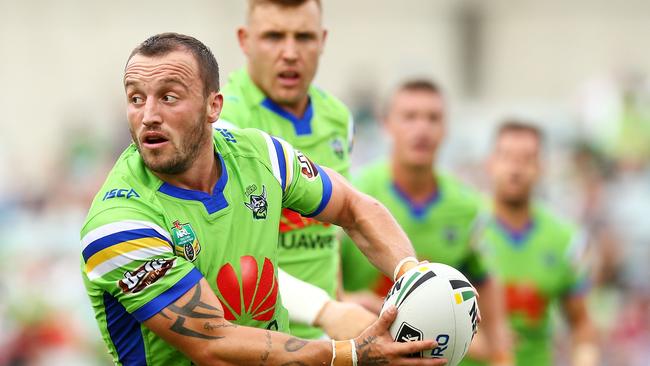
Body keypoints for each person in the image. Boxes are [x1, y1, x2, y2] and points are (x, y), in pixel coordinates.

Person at [80, 32, 447, 365]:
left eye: (169, 97)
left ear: (213, 106)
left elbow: (354, 207)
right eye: (136, 98)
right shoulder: (118, 224)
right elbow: (214, 344)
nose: (148, 116)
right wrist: (350, 354)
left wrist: (413, 277)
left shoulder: (262, 157)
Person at [214, 0, 363, 341]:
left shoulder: (338, 118)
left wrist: (340, 301)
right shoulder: (224, 125)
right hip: (256, 345)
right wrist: (324, 310)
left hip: (326, 339)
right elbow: (226, 255)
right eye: (273, 37)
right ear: (244, 40)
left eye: (305, 37)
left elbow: (330, 235)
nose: (290, 52)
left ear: (323, 39)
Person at [340, 79, 511, 365]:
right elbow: (323, 280)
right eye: (410, 117)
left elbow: (486, 281)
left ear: (446, 128)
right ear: (386, 124)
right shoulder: (353, 195)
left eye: (433, 118)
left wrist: (499, 352)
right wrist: (345, 300)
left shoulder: (468, 206)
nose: (422, 129)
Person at [473, 121, 598, 366]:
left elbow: (581, 323)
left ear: (542, 167)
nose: (516, 168)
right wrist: (484, 345)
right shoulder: (464, 228)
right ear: (489, 163)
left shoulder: (565, 239)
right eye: (507, 156)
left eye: (527, 159)